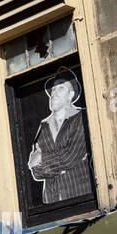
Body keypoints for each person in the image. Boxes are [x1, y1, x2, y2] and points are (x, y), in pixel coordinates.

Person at [27, 68, 93, 205]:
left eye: (61, 88)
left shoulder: (81, 118)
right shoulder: (43, 126)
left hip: (81, 198)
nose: (54, 93)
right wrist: (58, 166)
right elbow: (35, 170)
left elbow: (69, 158)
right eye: (53, 90)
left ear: (71, 95)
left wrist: (43, 159)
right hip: (52, 202)